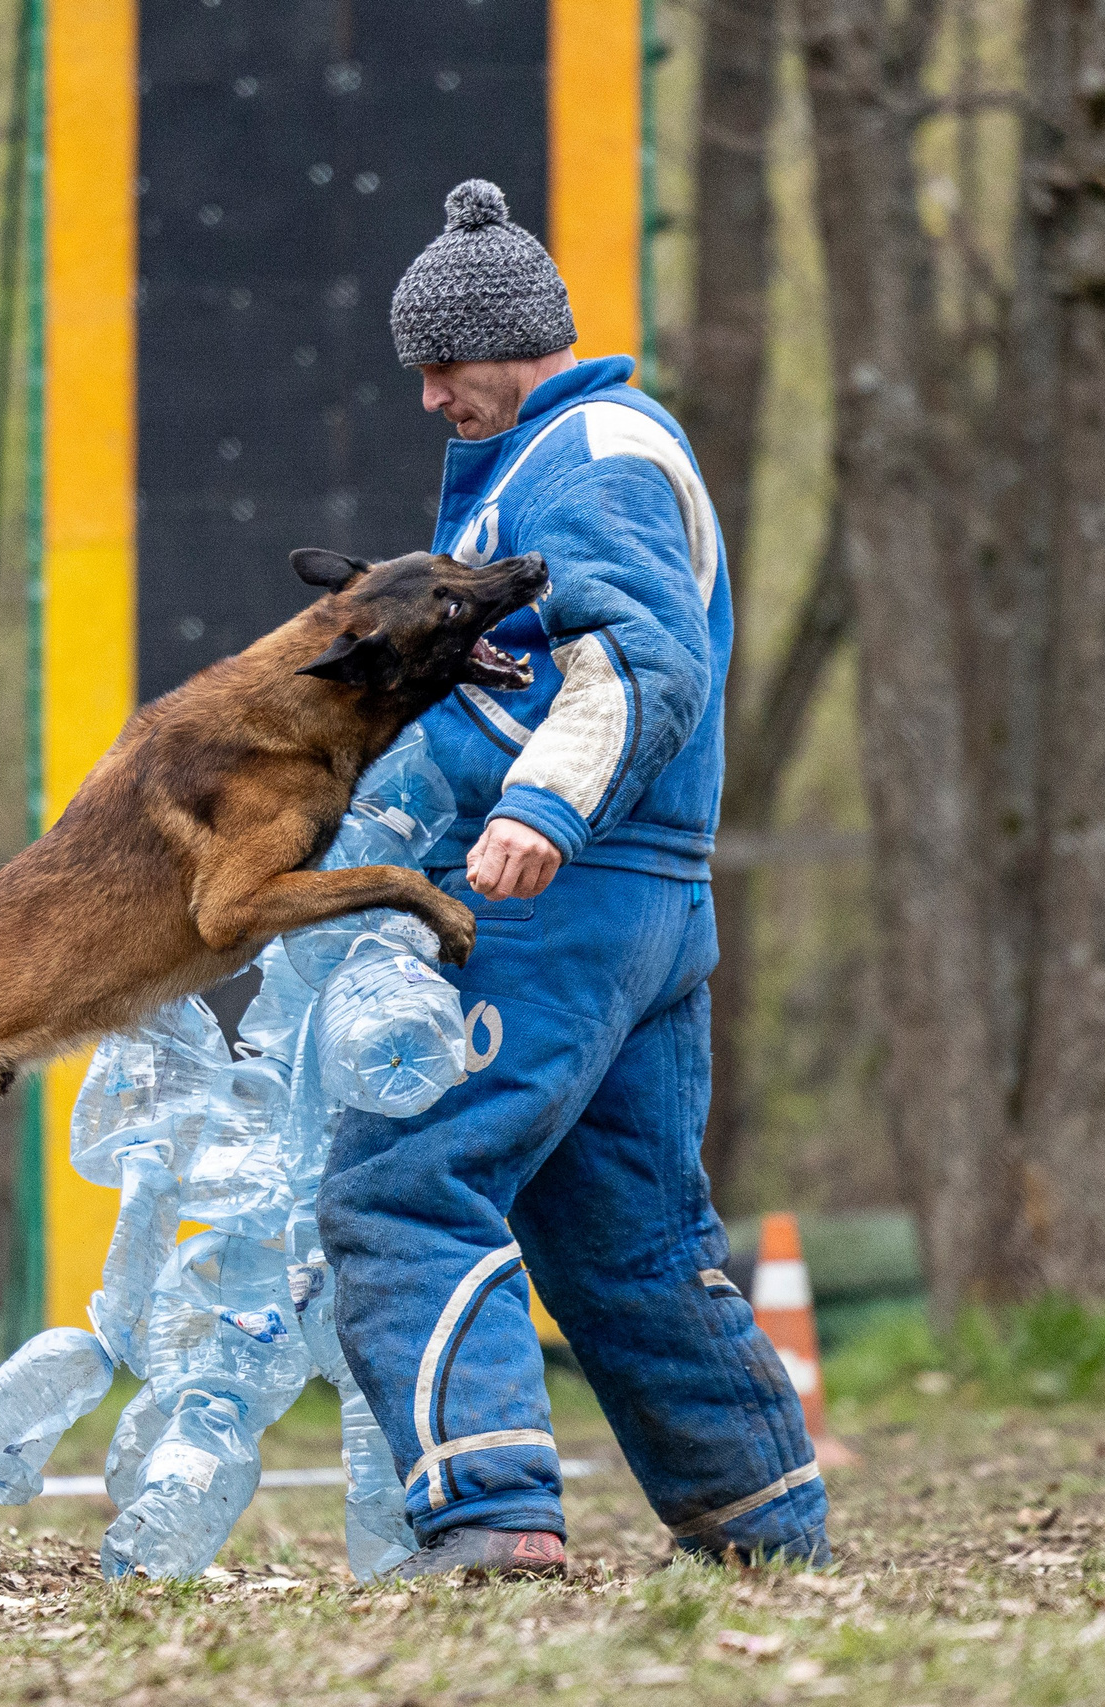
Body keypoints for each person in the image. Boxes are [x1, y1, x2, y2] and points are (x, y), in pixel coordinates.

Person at [317, 179, 830, 1580]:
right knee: (628, 1237)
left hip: (558, 889)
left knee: (404, 1187)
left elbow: (638, 655)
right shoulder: (557, 456)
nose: (430, 396)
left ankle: (490, 1518)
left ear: (513, 339)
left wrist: (542, 807)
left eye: (445, 365)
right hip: (648, 901)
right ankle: (760, 1524)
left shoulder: (590, 451)